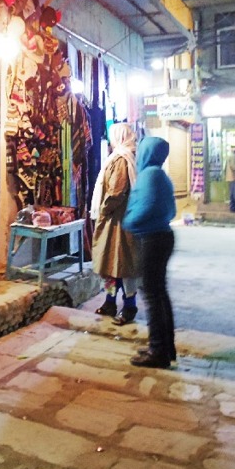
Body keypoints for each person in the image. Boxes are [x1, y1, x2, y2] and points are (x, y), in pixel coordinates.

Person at [123, 137, 177, 369]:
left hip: (153, 239)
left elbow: (145, 208)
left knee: (153, 295)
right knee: (159, 294)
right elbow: (171, 210)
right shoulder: (161, 175)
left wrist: (129, 222)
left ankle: (158, 351)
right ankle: (165, 348)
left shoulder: (149, 176)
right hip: (161, 236)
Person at [89, 123, 140, 325]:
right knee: (111, 265)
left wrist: (103, 210)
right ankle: (110, 302)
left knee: (123, 266)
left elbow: (116, 192)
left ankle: (129, 307)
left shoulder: (121, 159)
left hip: (117, 222)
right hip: (116, 220)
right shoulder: (126, 157)